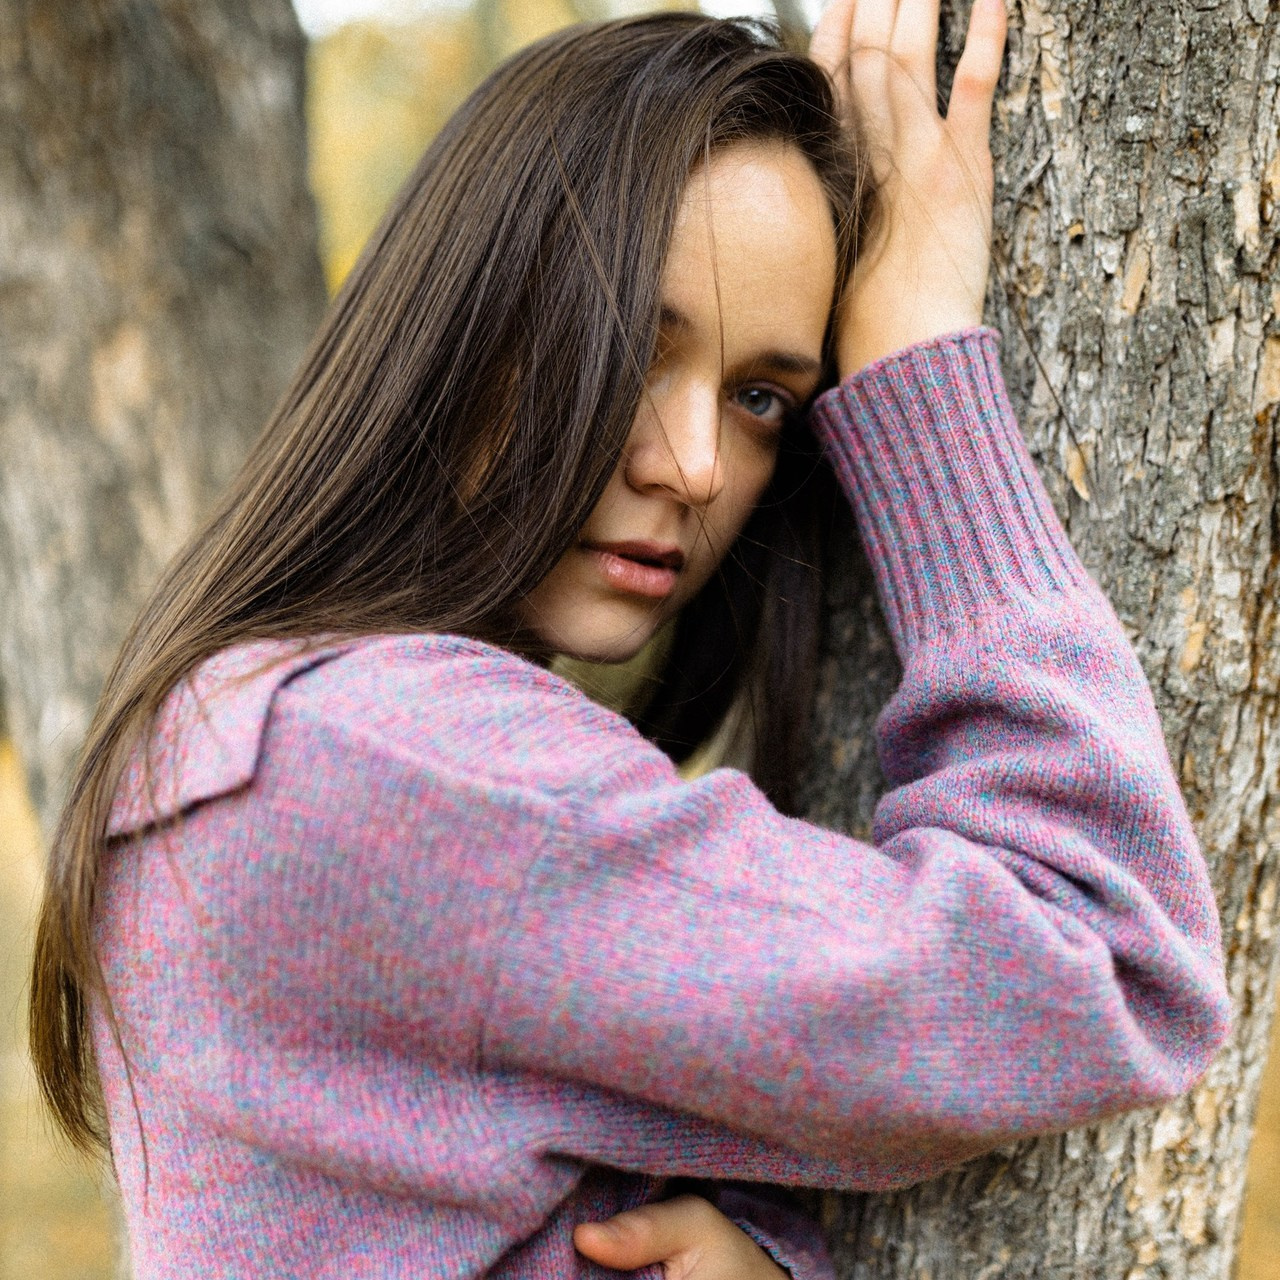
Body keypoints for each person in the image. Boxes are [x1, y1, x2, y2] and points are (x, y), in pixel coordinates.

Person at [29, 3, 1231, 1278]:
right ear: (466, 317)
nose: (696, 464)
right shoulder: (408, 771)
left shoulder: (253, 724)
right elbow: (1104, 960)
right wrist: (924, 372)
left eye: (760, 396)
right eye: (630, 349)